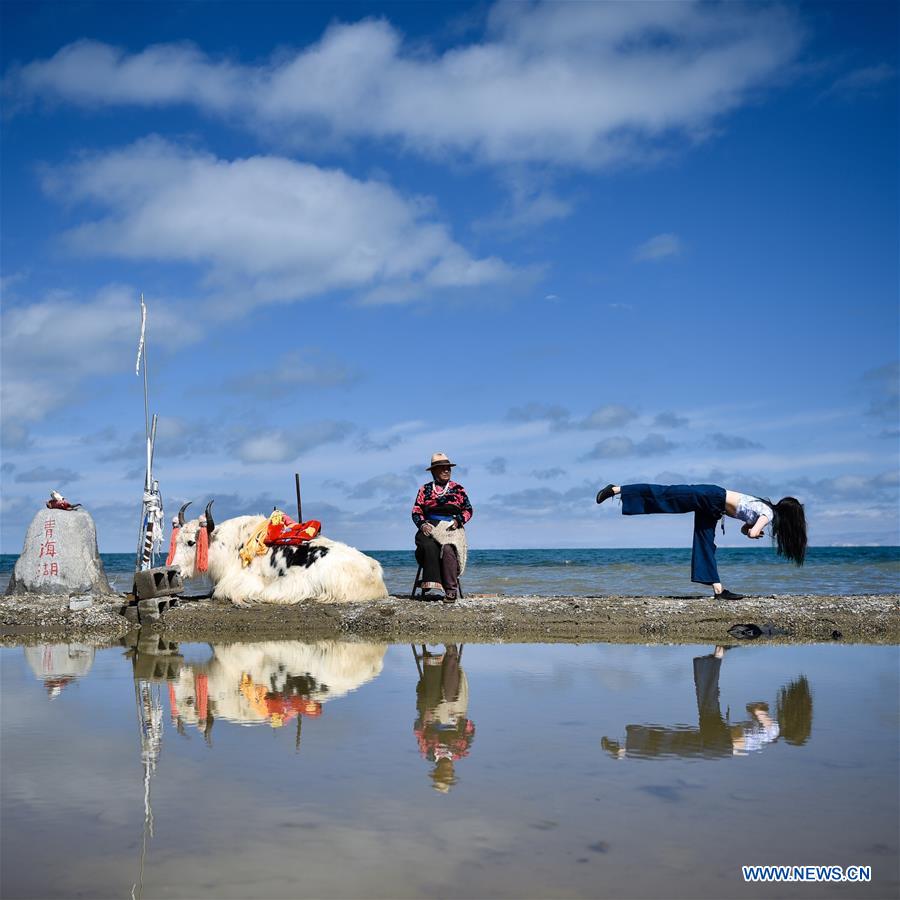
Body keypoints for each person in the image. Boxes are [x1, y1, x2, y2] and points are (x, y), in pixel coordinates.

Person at [595, 483, 806, 599]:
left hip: (715, 506)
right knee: (668, 494)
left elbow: (745, 528)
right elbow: (751, 532)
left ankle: (718, 590)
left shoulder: (765, 510)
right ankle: (617, 489)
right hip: (712, 497)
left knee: (705, 543)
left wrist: (749, 531)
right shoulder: (768, 514)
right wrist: (753, 533)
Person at [412, 452, 473, 602]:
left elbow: (468, 509)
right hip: (430, 526)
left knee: (448, 548)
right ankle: (431, 580)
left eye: (448, 468)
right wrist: (422, 524)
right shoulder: (424, 489)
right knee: (428, 545)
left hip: (451, 527)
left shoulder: (458, 489)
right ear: (433, 471)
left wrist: (459, 521)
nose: (446, 471)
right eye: (442, 468)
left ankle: (451, 591)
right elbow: (416, 511)